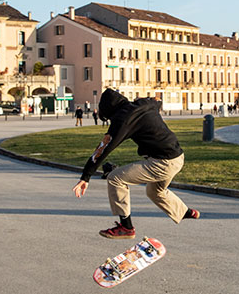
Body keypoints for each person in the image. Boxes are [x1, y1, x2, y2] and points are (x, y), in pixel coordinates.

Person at [72, 89, 200, 239]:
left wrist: (85, 177)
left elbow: (104, 148)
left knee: (115, 178)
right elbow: (156, 100)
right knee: (154, 192)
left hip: (162, 162)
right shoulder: (145, 103)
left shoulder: (123, 119)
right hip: (177, 157)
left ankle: (126, 227)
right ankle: (184, 212)